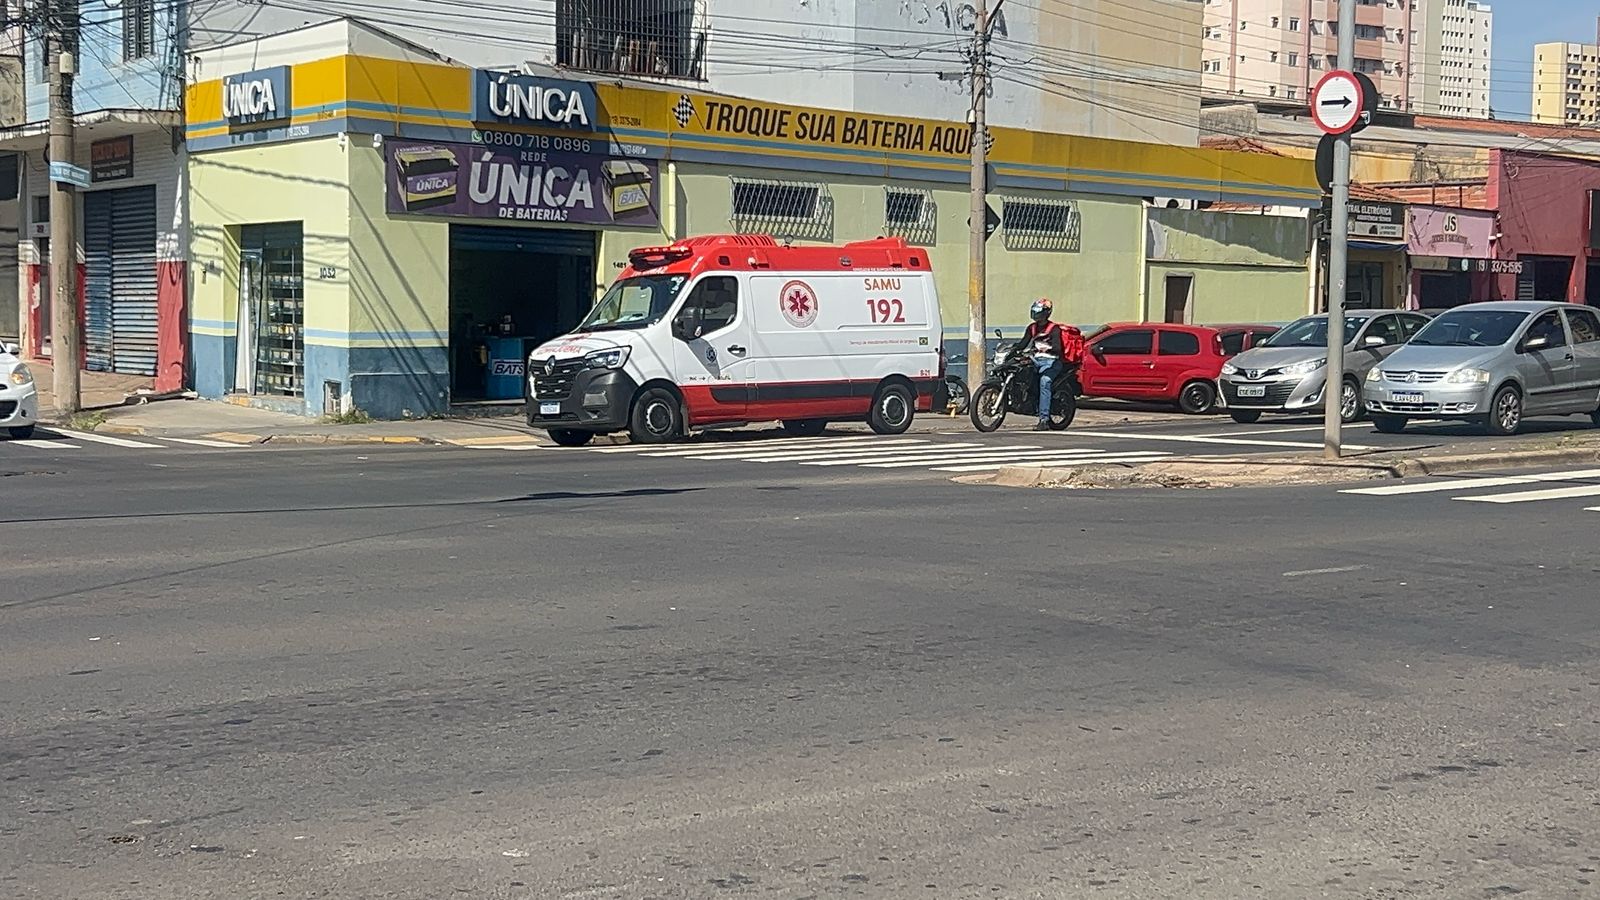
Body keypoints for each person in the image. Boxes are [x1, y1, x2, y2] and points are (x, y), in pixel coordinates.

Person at [1013, 298, 1084, 430]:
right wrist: (1011, 350)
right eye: (1035, 311)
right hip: (1035, 361)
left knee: (1045, 381)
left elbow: (1058, 348)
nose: (1036, 315)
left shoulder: (1054, 328)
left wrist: (1046, 349)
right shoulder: (1032, 328)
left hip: (1051, 362)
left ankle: (1044, 419)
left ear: (1046, 313)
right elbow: (1023, 343)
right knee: (1021, 374)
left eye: (1039, 312)